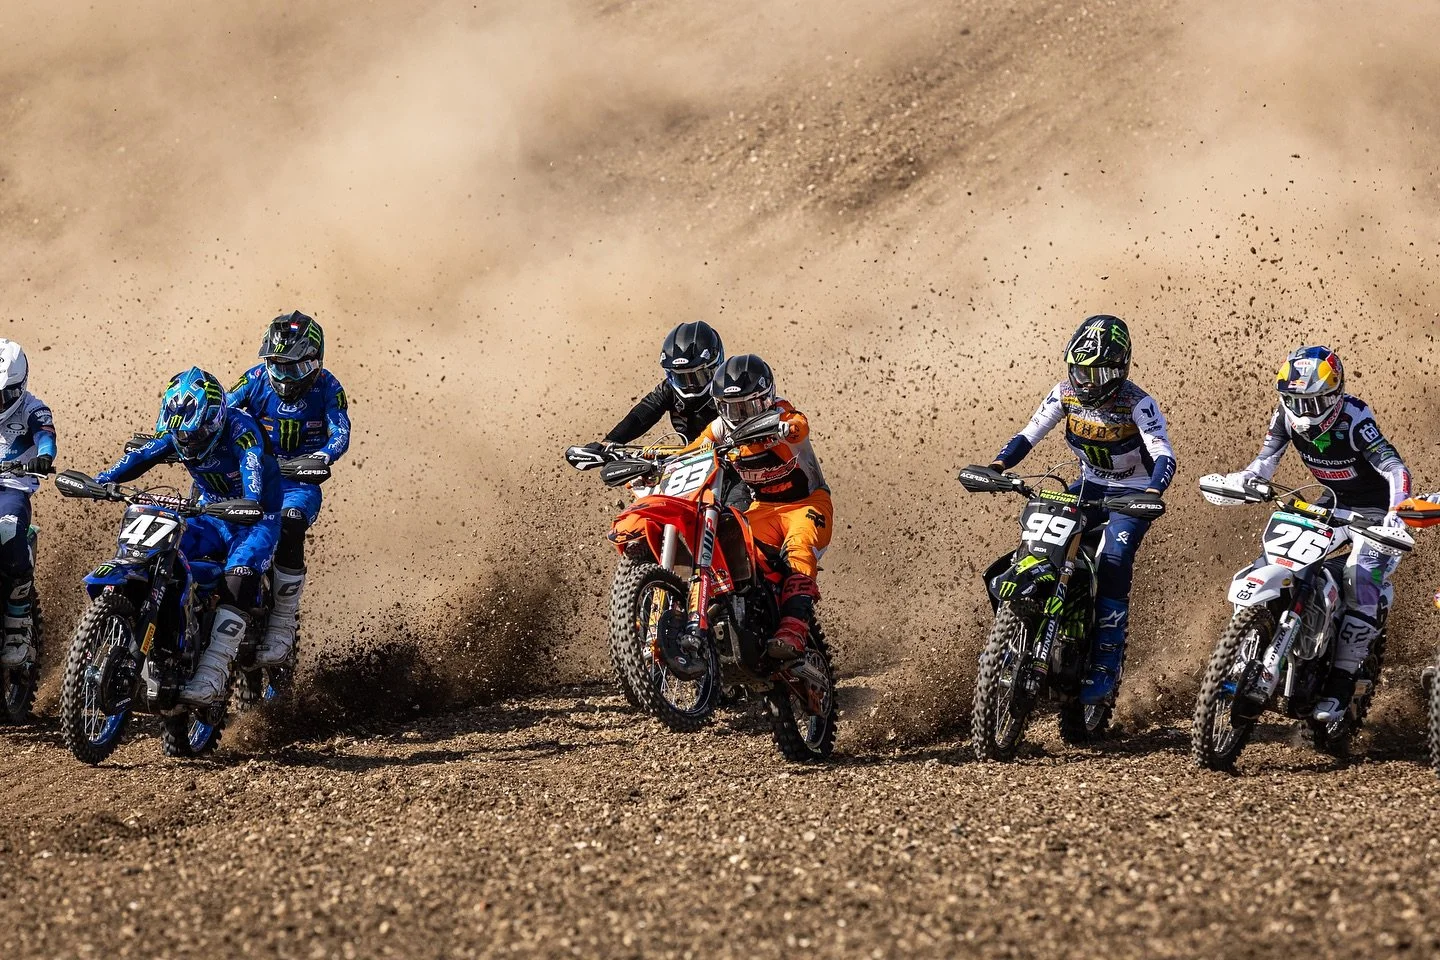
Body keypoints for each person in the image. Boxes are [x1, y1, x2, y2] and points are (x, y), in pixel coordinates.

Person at [990, 315, 1176, 704]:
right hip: (1089, 485)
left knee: (1114, 558)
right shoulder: (1064, 393)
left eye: (1097, 373)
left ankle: (1106, 660)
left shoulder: (1138, 403)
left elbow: (1163, 454)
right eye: (1079, 371)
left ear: (1119, 369)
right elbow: (1029, 433)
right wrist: (999, 466)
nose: (1086, 382)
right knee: (1040, 538)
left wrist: (1152, 492)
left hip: (1132, 494)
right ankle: (1021, 632)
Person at [1219, 345, 1410, 722]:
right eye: (1295, 401)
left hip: (1374, 510)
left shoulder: (1355, 419)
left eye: (1313, 402)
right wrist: (1247, 479)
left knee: (1359, 578)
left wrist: (1396, 513)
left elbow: (1395, 469)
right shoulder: (1284, 415)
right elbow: (1266, 459)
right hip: (1331, 501)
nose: (1303, 412)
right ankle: (1249, 650)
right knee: (1280, 556)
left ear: (1335, 395)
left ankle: (1341, 683)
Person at [95, 368, 282, 704]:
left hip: (255, 518)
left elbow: (252, 472)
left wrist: (251, 501)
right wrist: (104, 480)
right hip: (208, 513)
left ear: (215, 419)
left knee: (239, 574)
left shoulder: (242, 431)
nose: (188, 440)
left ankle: (214, 668)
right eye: (181, 434)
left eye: (196, 433)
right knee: (159, 546)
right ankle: (169, 636)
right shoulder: (180, 431)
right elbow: (143, 454)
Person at [681, 354, 832, 661]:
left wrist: (783, 429)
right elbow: (691, 451)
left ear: (766, 399)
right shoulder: (720, 429)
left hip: (806, 504)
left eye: (747, 407)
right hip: (762, 508)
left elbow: (799, 425)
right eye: (730, 408)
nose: (738, 416)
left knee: (799, 549)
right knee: (733, 552)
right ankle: (741, 623)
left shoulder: (781, 413)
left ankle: (794, 628)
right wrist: (655, 461)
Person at [228, 311, 349, 667]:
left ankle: (282, 622)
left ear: (315, 362)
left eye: (294, 368)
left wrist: (322, 456)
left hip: (298, 481)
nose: (283, 376)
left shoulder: (329, 387)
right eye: (277, 365)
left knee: (291, 522)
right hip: (248, 474)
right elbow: (219, 412)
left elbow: (340, 431)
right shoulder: (253, 379)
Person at [0, 340, 55, 668]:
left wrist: (44, 457)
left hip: (11, 488)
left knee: (7, 530)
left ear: (17, 388)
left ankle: (18, 625)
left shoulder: (33, 409)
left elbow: (45, 436)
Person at [599, 321, 725, 447]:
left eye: (698, 376)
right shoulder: (668, 389)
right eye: (681, 378)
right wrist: (608, 442)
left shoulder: (729, 387)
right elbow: (640, 416)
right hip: (689, 454)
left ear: (715, 366)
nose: (690, 385)